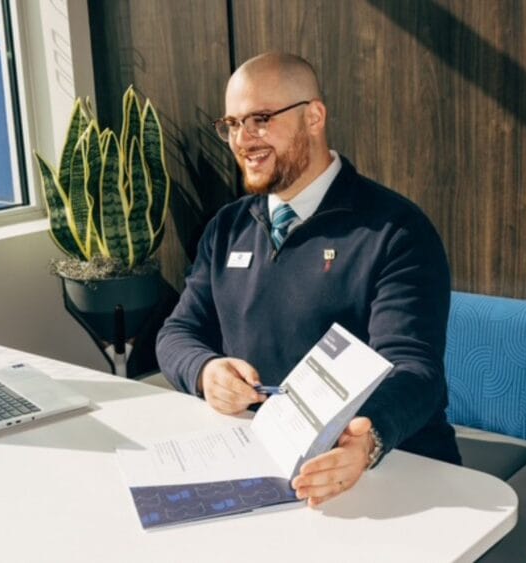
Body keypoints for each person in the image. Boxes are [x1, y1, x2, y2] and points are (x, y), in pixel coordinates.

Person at [156, 52, 459, 507]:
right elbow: (178, 333)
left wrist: (367, 439)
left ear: (314, 116)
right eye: (232, 124)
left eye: (260, 118)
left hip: (387, 467)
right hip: (268, 463)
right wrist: (205, 371)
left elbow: (415, 369)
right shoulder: (227, 227)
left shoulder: (395, 230)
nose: (243, 140)